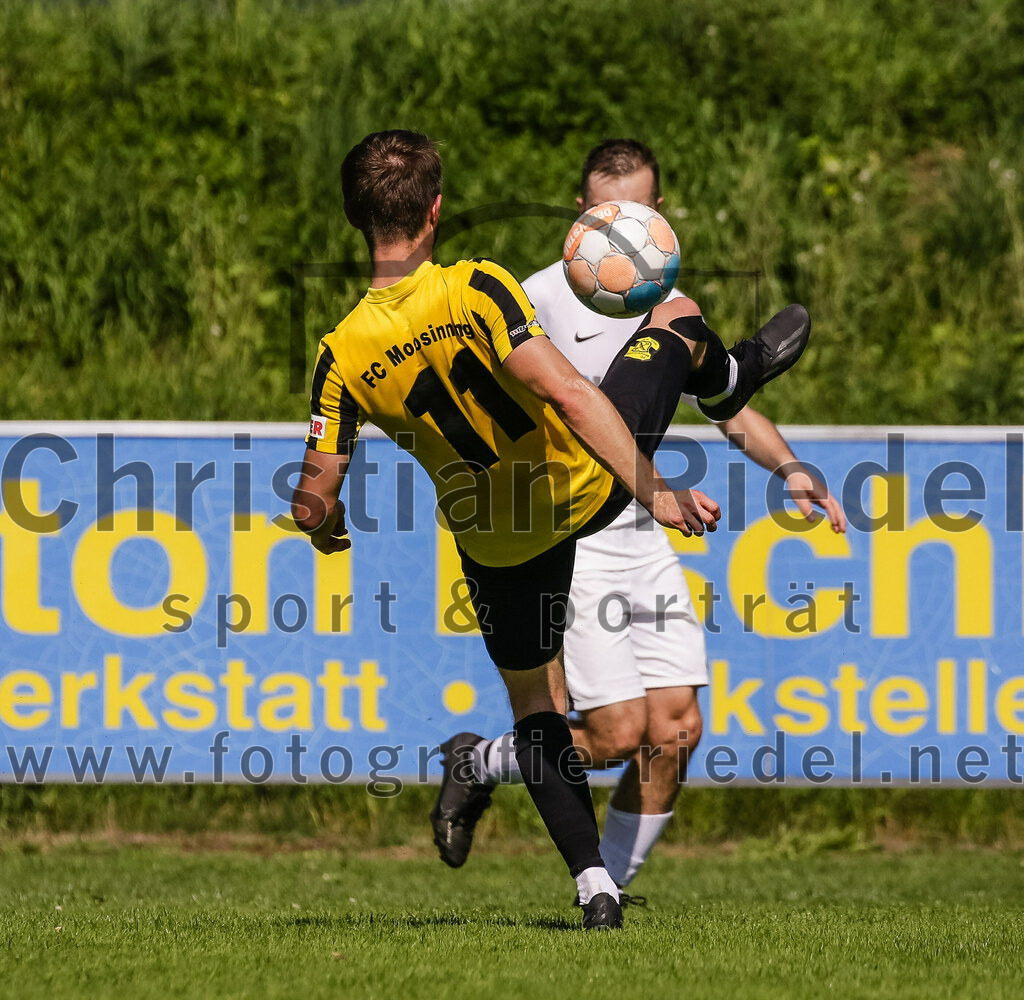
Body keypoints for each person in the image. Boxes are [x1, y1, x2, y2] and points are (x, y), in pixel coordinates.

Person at [292, 129, 811, 930]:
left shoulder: (341, 351)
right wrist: (657, 490)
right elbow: (571, 396)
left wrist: (325, 526)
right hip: (585, 494)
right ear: (435, 210)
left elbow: (316, 493)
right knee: (673, 316)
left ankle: (595, 886)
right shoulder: (481, 288)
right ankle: (730, 374)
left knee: (536, 709)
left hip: (494, 541)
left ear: (356, 217)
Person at [432, 139, 846, 900]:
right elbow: (565, 424)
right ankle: (480, 760)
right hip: (572, 533)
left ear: (658, 213)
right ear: (580, 217)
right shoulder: (532, 302)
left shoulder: (665, 295)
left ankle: (611, 892)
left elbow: (726, 410)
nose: (623, 229)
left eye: (640, 211)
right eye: (603, 212)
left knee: (677, 730)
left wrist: (790, 468)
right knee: (619, 734)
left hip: (643, 533)